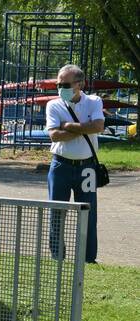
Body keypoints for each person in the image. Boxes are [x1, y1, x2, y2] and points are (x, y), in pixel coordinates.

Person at [45, 63, 106, 264]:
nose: (60, 88)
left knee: (88, 213)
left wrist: (68, 126)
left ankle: (88, 258)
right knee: (56, 212)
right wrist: (84, 128)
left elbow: (98, 126)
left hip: (86, 167)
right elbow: (54, 135)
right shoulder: (53, 105)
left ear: (80, 84)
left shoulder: (94, 101)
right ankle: (57, 257)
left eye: (65, 84)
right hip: (60, 166)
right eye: (58, 84)